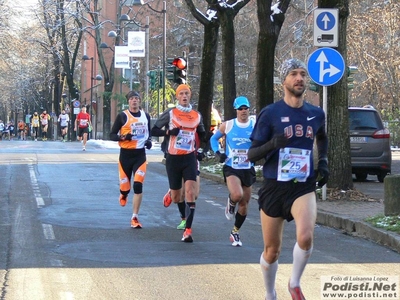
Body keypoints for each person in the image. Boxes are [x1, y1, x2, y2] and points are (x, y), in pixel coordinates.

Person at [247, 58, 329, 300]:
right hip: (274, 186)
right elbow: (251, 154)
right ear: (283, 81)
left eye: (303, 74)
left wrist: (322, 162)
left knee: (305, 237)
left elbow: (322, 137)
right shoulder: (270, 113)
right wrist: (273, 144)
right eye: (294, 74)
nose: (299, 78)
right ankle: (270, 292)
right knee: (272, 251)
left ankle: (294, 283)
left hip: (302, 185)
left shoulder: (316, 114)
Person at [151, 84, 206, 242]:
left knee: (190, 192)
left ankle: (188, 230)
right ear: (177, 96)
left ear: (190, 96)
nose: (184, 96)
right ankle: (179, 209)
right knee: (177, 197)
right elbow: (154, 130)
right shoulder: (170, 113)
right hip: (173, 158)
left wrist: (203, 145)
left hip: (189, 157)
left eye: (187, 93)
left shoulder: (196, 115)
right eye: (181, 93)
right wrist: (168, 132)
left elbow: (202, 134)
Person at [210, 96, 256, 247]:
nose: (243, 111)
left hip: (247, 168)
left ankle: (235, 232)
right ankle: (230, 202)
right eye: (240, 109)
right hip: (232, 167)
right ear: (236, 110)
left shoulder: (255, 125)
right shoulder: (228, 125)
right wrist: (218, 153)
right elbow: (213, 139)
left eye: (246, 108)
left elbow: (263, 140)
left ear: (249, 109)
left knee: (244, 204)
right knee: (237, 194)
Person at [110, 91, 152, 228]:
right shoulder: (123, 116)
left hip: (140, 155)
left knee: (138, 185)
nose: (134, 101)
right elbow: (111, 135)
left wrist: (149, 141)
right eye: (132, 99)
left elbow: (148, 133)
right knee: (125, 188)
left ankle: (135, 217)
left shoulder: (146, 116)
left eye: (136, 98)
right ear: (128, 101)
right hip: (125, 156)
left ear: (140, 101)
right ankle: (123, 194)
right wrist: (123, 137)